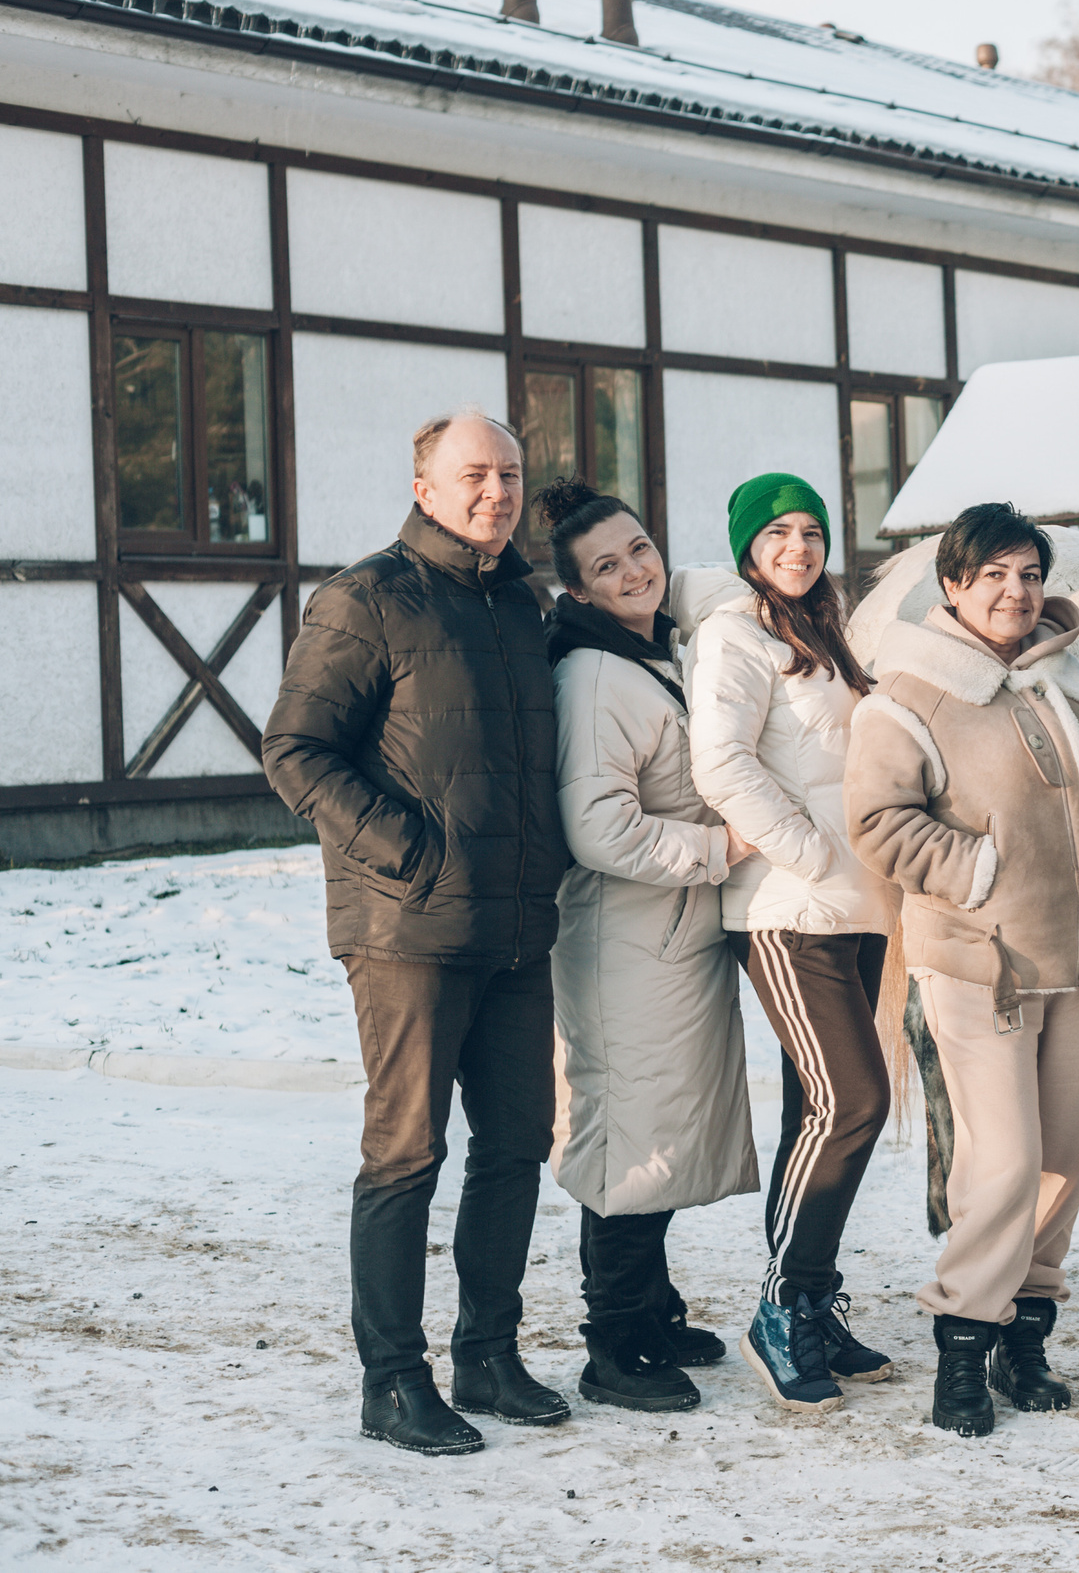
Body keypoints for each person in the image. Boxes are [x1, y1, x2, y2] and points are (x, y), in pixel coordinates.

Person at [262, 410, 574, 1456]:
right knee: (406, 1151)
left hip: (518, 926)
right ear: (425, 487)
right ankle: (393, 1381)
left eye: (510, 474)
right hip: (407, 927)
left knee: (518, 1144)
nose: (497, 491)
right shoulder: (367, 598)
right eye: (474, 473)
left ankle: (488, 1355)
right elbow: (295, 749)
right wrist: (409, 850)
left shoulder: (522, 603)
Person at [846, 501, 1079, 1438]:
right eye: (993, 575)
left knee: (1067, 1158)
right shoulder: (909, 696)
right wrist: (980, 871)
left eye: (1028, 574)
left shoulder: (1067, 681)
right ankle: (961, 1340)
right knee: (1007, 1160)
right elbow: (877, 822)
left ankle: (1025, 1337)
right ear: (953, 584)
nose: (1015, 592)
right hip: (982, 965)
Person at [539, 478, 762, 1415]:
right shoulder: (593, 677)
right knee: (629, 1137)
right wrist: (719, 849)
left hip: (667, 935)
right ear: (578, 591)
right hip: (626, 939)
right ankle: (615, 1342)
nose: (634, 570)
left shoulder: (647, 650)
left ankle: (654, 1311)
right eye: (607, 565)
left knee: (663, 1127)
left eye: (639, 548)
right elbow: (599, 827)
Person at [687, 472, 899, 1415]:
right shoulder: (734, 635)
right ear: (748, 549)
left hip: (858, 905)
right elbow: (721, 762)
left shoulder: (830, 633)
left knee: (815, 1111)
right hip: (787, 906)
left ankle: (810, 1300)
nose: (799, 547)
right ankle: (781, 1306)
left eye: (812, 531)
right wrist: (809, 851)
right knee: (855, 1100)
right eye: (778, 533)